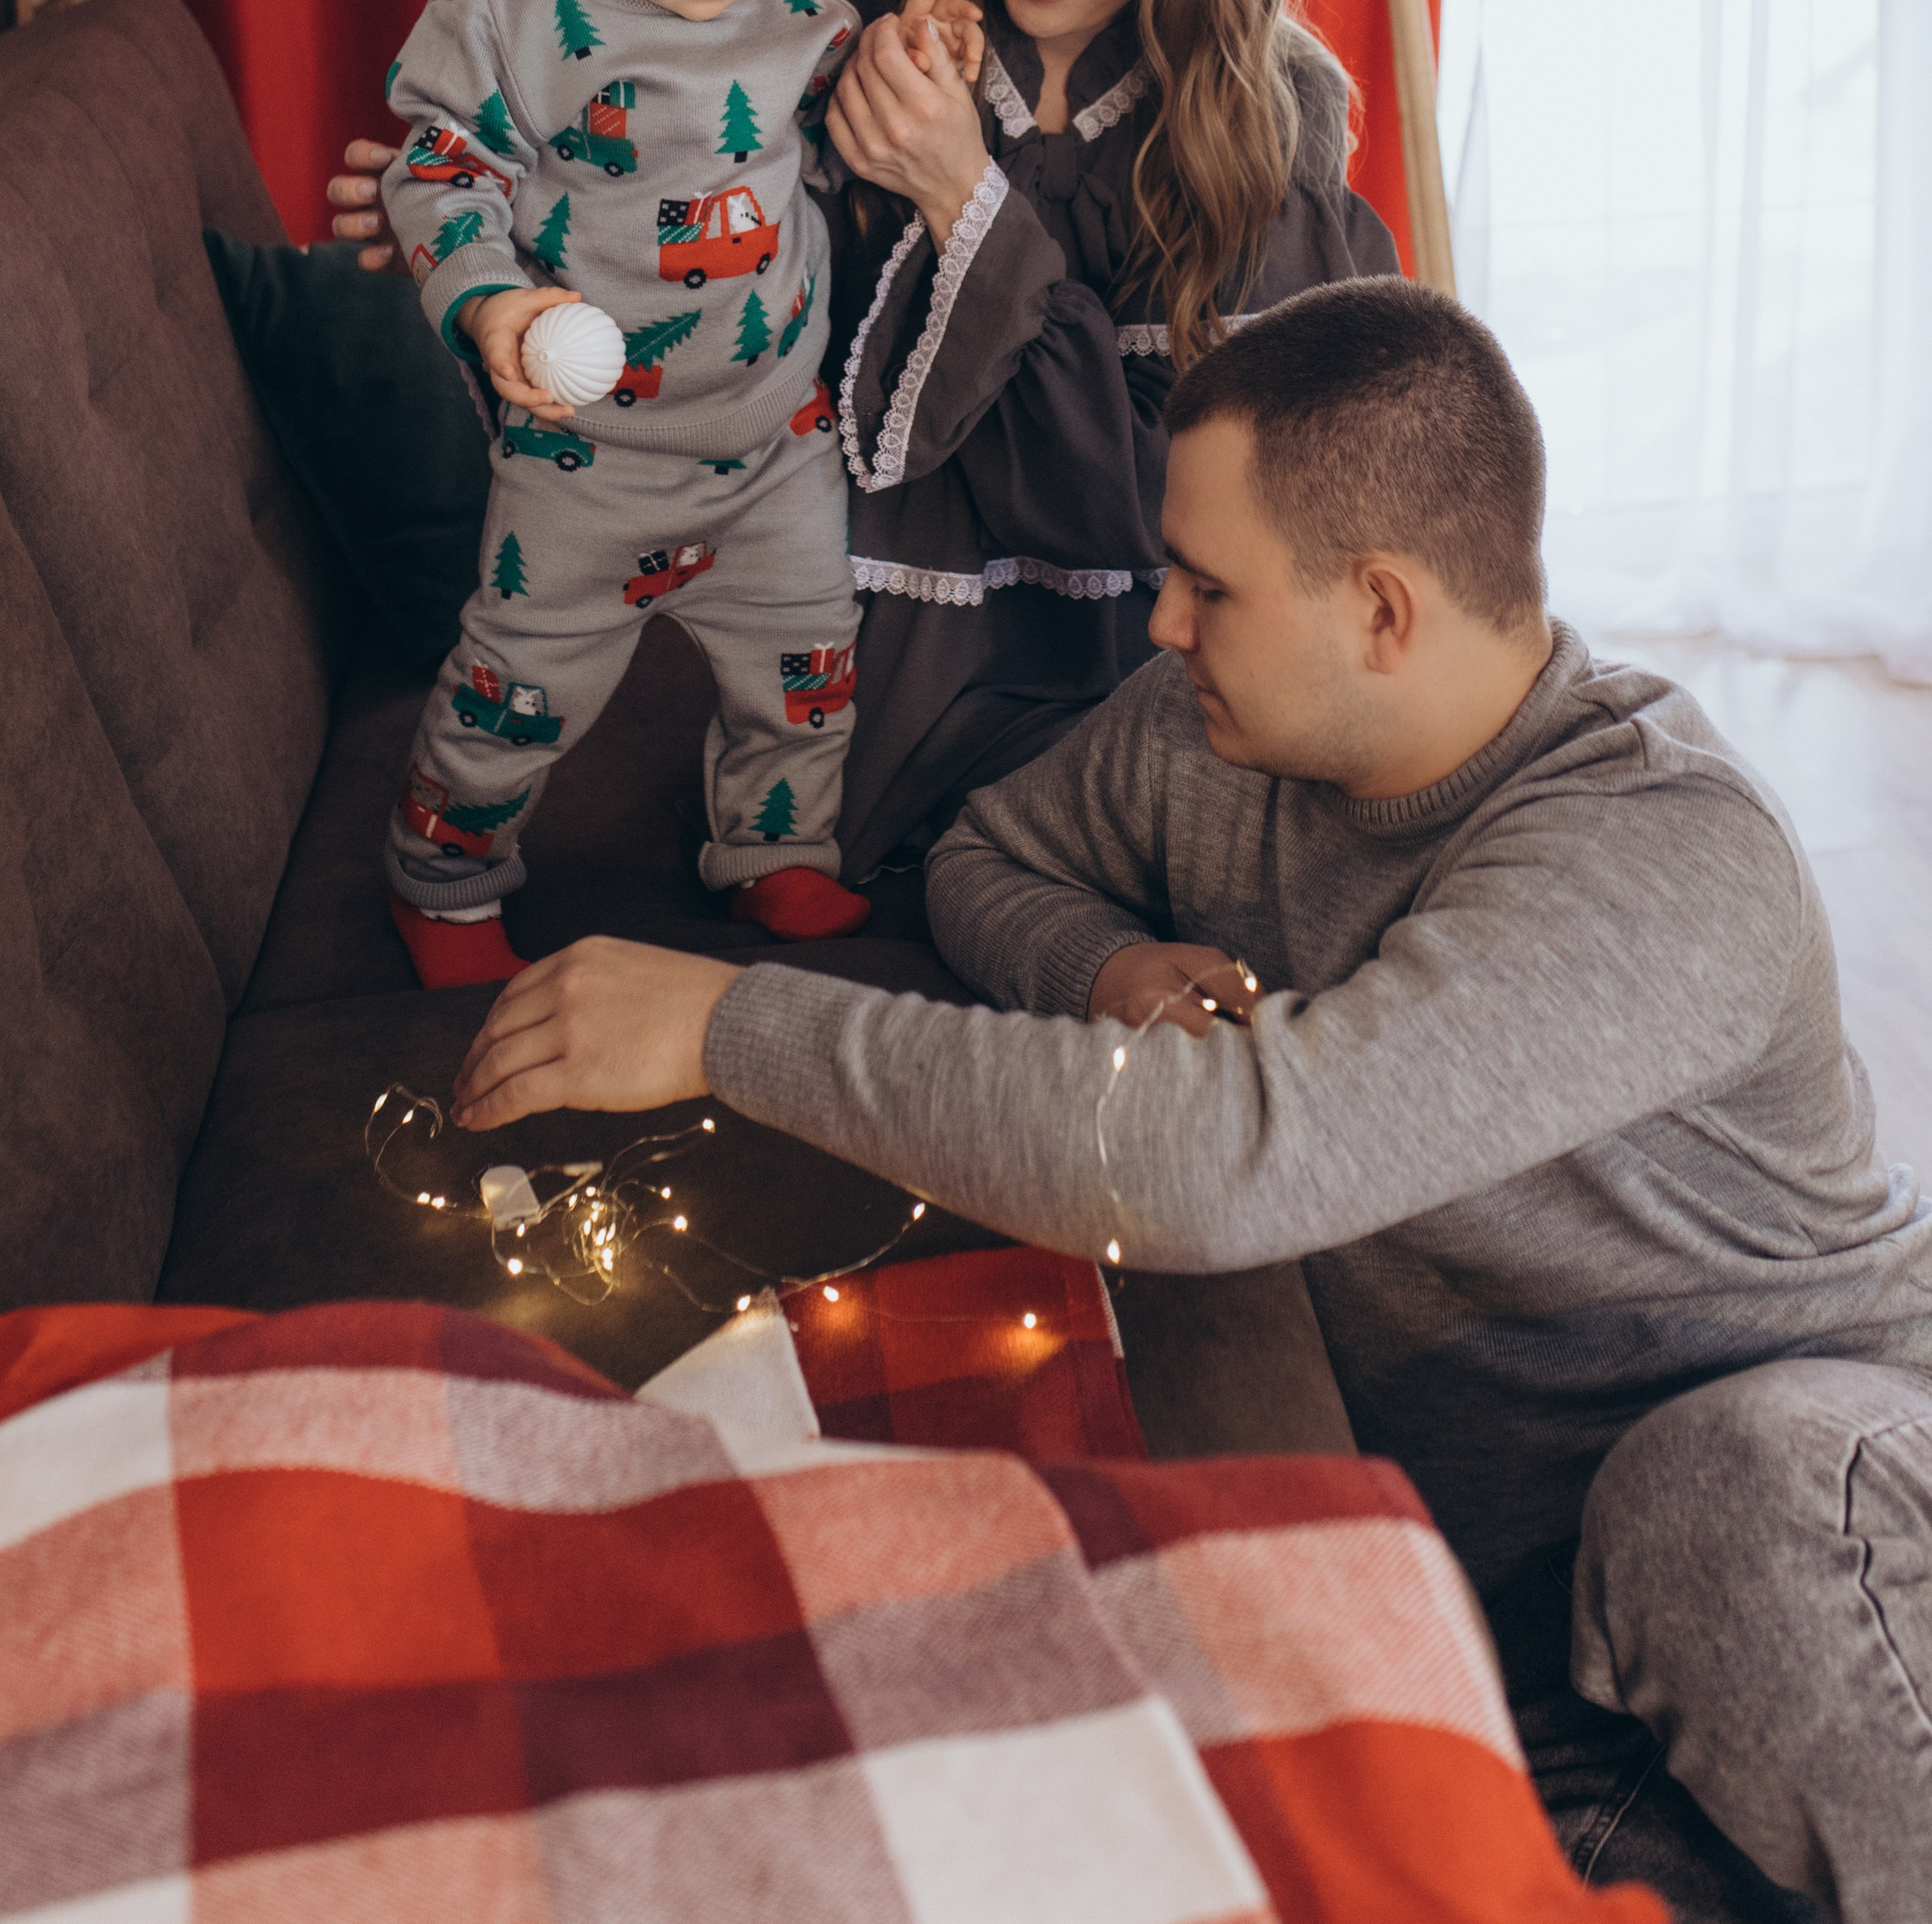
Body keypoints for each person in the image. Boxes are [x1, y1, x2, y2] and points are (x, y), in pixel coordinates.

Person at [449, 280, 1932, 1921]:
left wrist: (730, 1024)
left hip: (1838, 1518)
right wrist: (1099, 966)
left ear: (1380, 611)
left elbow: (1221, 1162)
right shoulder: (1214, 733)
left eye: (1207, 586)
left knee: (1716, 1493)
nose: (1161, 623)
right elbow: (989, 855)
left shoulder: (1658, 856)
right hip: (1562, 1678)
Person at [332, 0, 1401, 880]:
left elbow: (1147, 510)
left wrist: (962, 195)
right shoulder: (835, 21)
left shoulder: (1261, 130)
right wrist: (460, 226)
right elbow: (608, 159)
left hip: (1132, 661)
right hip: (888, 667)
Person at [374, 0, 980, 988]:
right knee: (520, 685)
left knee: (806, 665)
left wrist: (910, 61)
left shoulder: (791, 4)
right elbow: (438, 173)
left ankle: (774, 852)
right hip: (584, 462)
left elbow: (836, 128)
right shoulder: (511, 19)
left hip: (773, 444)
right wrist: (491, 304)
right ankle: (445, 878)